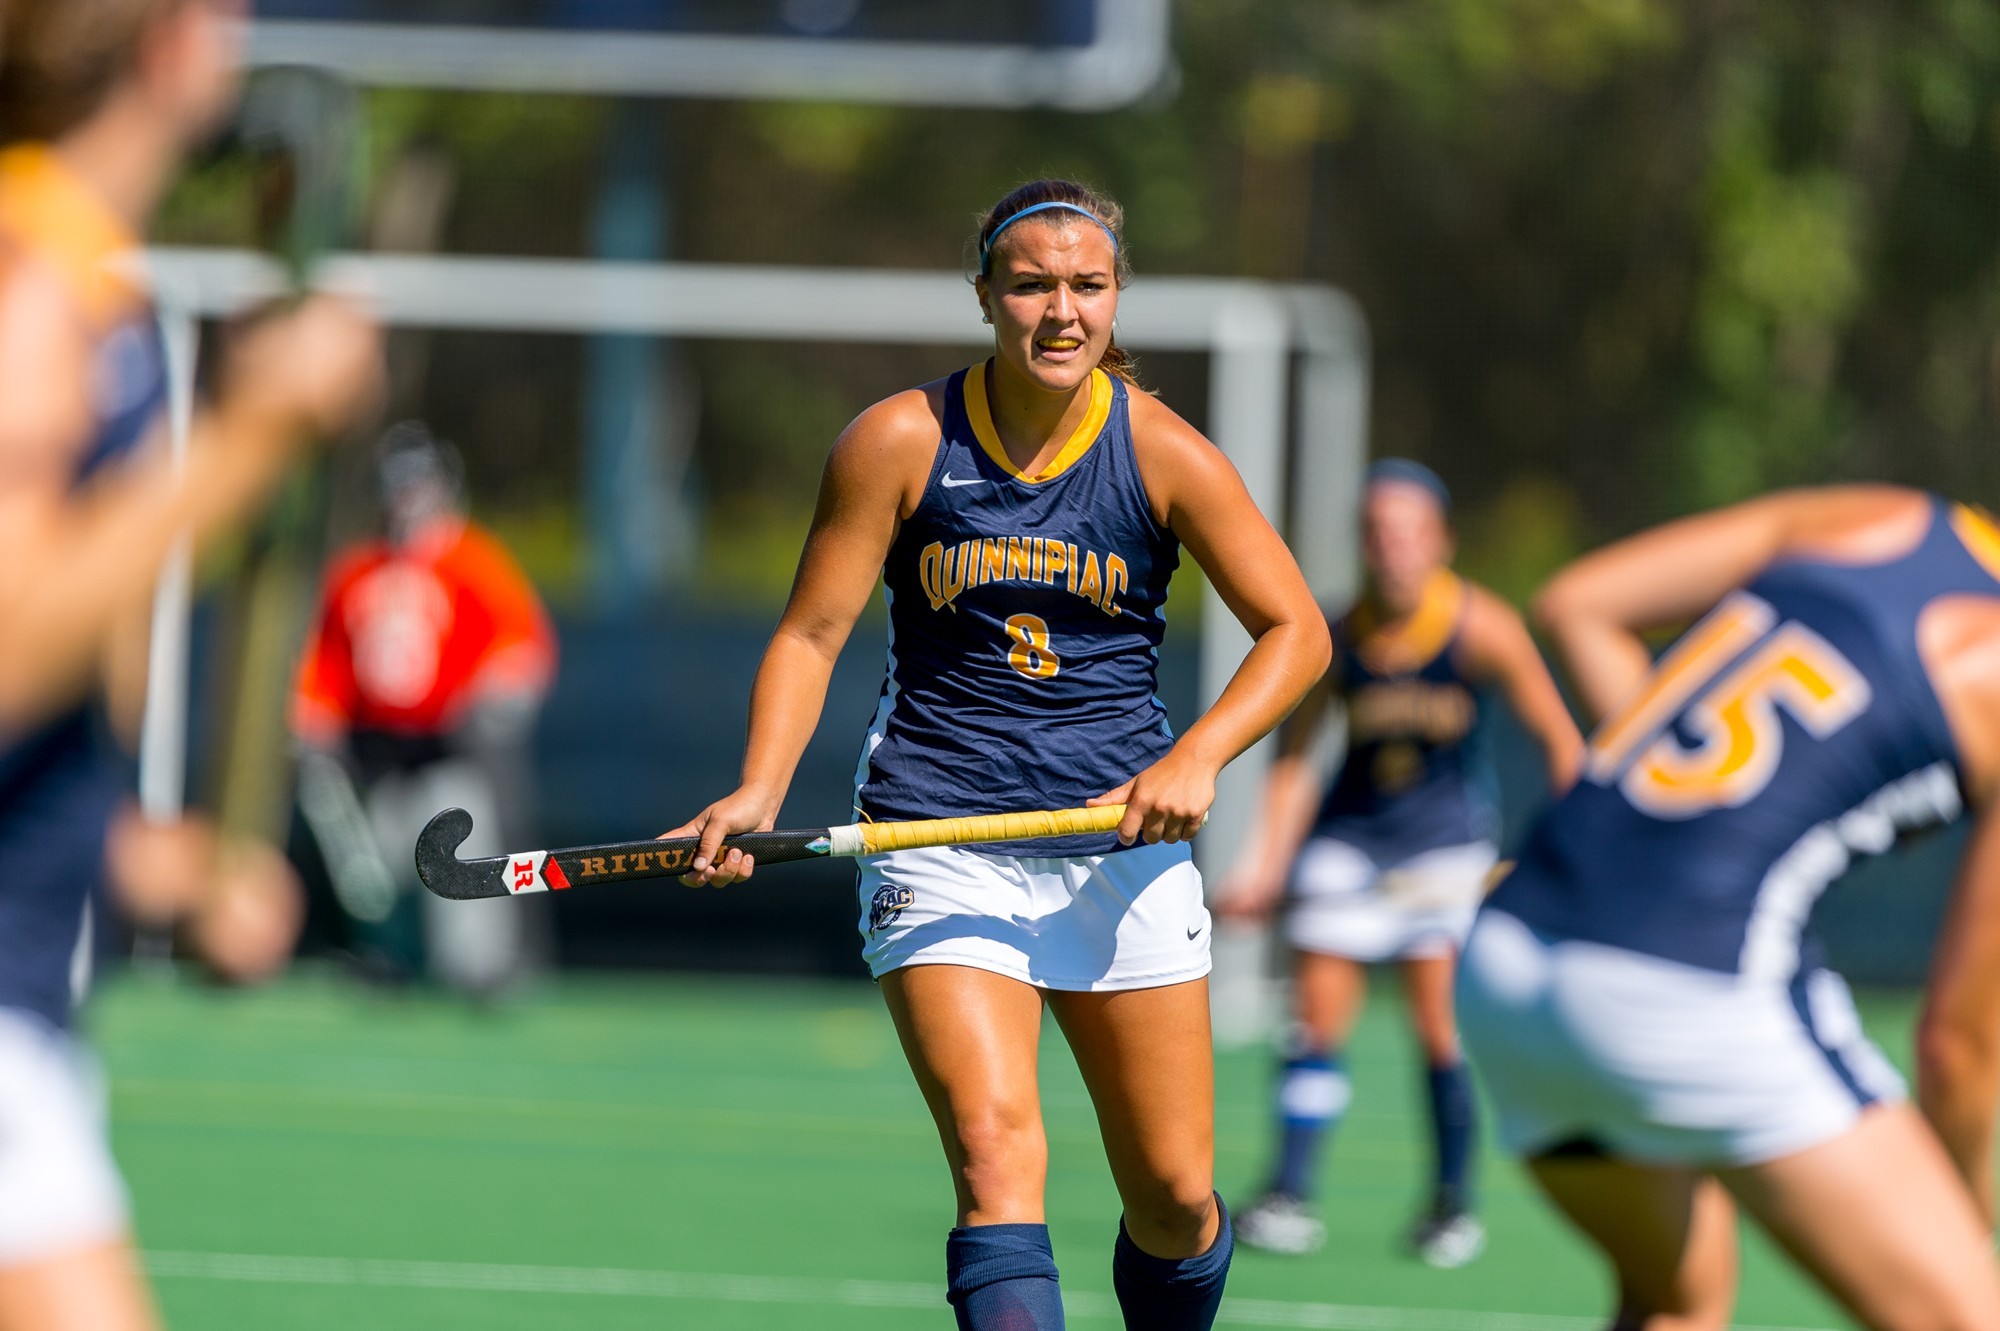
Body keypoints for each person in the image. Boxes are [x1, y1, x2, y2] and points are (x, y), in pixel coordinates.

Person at [668, 178, 1330, 1331]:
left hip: (1116, 839)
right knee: (992, 1150)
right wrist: (760, 785)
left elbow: (1298, 630)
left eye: (1086, 286)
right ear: (984, 294)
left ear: (1117, 299)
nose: (1058, 312)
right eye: (1030, 284)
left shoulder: (1161, 450)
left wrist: (1201, 757)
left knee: (1173, 1197)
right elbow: (810, 631)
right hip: (938, 832)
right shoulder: (897, 440)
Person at [0, 1, 381, 1328]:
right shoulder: (31, 277)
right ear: (164, 46)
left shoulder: (77, 266)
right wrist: (249, 438)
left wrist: (142, 855)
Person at [1461, 486, 2000, 1330]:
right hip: (1686, 988)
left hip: (1511, 949)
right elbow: (1957, 1048)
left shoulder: (1880, 517)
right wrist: (1970, 1239)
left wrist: (1677, 818)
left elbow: (1580, 606)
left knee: (1677, 1303)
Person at [1219, 460, 1582, 1264]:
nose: (1394, 547)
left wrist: (1565, 847)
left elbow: (1561, 741)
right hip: (1350, 843)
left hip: (1446, 852)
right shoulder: (1337, 633)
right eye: (1378, 531)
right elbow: (1295, 759)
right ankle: (1289, 1193)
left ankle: (1452, 1206)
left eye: (1410, 530)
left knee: (1439, 1029)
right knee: (1314, 1023)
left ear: (1443, 541)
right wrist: (1264, 864)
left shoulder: (1482, 626)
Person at [292, 421, 558, 997]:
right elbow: (326, 665)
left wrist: (499, 687)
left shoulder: (474, 560)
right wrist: (312, 716)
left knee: (460, 843)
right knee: (372, 859)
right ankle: (383, 953)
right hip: (374, 754)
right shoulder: (355, 571)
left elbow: (522, 639)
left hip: (448, 747)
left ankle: (479, 965)